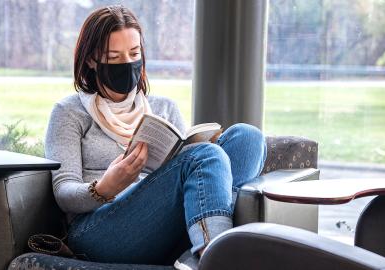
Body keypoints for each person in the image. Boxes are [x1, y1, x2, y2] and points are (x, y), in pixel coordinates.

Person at [44, 5, 267, 269]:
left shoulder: (163, 108)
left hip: (160, 226)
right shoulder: (69, 113)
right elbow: (63, 192)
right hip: (97, 229)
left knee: (247, 137)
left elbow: (186, 165)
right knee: (207, 156)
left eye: (134, 53)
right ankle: (215, 255)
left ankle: (199, 244)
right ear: (92, 59)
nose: (127, 63)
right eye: (114, 57)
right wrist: (105, 187)